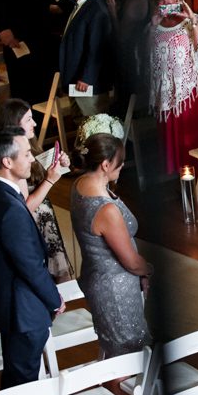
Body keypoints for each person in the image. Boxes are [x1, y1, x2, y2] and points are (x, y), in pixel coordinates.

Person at [0, 128, 65, 390]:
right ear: (7, 162)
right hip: (23, 311)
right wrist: (54, 299)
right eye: (26, 154)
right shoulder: (9, 208)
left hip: (8, 306)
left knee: (16, 377)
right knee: (21, 386)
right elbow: (30, 266)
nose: (32, 159)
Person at [71, 133, 151, 365]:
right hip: (116, 290)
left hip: (99, 279)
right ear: (105, 165)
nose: (123, 165)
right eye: (119, 161)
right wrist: (150, 269)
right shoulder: (105, 211)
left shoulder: (80, 185)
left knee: (115, 352)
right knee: (125, 359)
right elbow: (131, 262)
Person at [0, 99, 74, 282]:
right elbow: (25, 207)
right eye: (29, 119)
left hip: (44, 221)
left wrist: (60, 164)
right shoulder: (13, 158)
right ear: (14, 123)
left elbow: (37, 174)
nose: (34, 123)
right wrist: (50, 180)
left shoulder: (27, 146)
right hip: (35, 226)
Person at [150, 0, 198, 173]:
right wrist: (152, 25)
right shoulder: (154, 26)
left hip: (190, 88)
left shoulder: (190, 20)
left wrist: (192, 20)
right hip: (167, 91)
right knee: (172, 136)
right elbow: (145, 57)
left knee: (192, 135)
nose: (166, 2)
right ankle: (177, 176)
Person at [60, 0, 114, 116]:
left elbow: (97, 48)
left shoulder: (97, 10)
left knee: (95, 125)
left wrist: (86, 77)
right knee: (81, 124)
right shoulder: (87, 2)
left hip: (88, 83)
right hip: (78, 79)